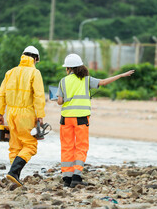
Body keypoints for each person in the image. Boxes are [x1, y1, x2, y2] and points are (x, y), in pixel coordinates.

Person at [56, 53, 134, 188]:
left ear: (68, 68)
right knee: (81, 147)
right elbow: (103, 82)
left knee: (67, 147)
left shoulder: (63, 81)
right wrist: (121, 75)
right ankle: (76, 177)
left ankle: (67, 179)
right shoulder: (86, 80)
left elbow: (59, 101)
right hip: (81, 119)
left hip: (65, 119)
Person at [0, 45, 46, 187]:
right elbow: (39, 96)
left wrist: (0, 113)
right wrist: (40, 115)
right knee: (30, 145)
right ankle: (14, 173)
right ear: (35, 59)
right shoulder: (35, 73)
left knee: (15, 146)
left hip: (11, 113)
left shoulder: (10, 72)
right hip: (26, 114)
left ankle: (14, 175)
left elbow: (1, 94)